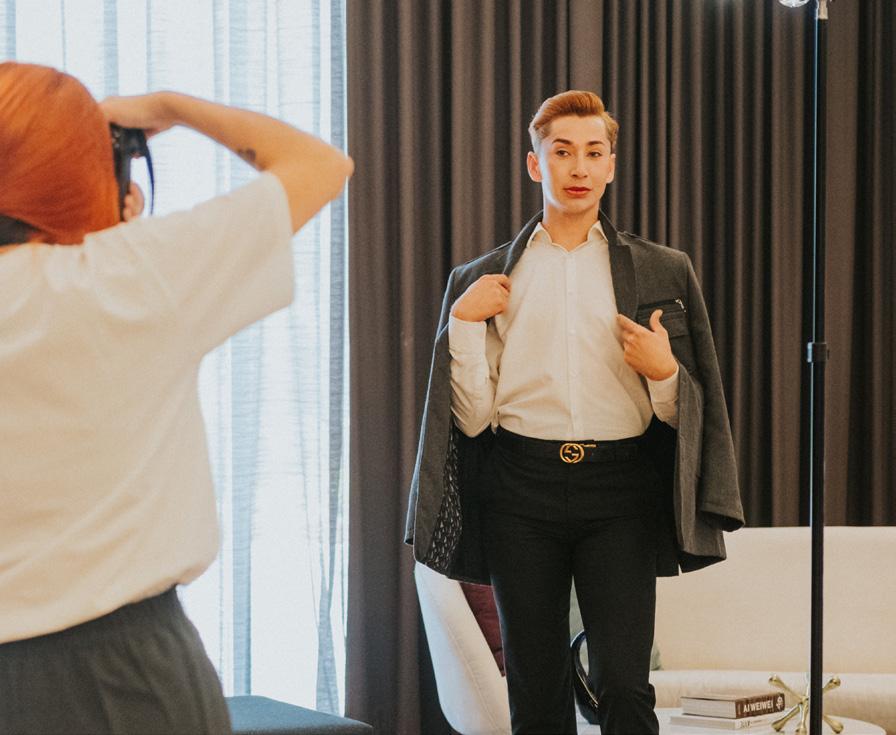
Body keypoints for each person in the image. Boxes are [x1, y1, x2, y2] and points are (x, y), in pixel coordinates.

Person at [0, 61, 352, 734]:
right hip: (127, 670)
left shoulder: (121, 270)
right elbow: (320, 165)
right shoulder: (131, 276)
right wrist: (171, 106)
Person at [405, 90, 744, 734]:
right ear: (536, 164)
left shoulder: (664, 271)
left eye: (593, 152)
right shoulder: (480, 281)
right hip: (519, 490)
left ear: (612, 164)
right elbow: (470, 422)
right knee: (535, 691)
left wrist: (664, 372)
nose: (578, 167)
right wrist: (463, 325)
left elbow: (692, 414)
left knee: (624, 683)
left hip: (621, 491)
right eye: (562, 152)